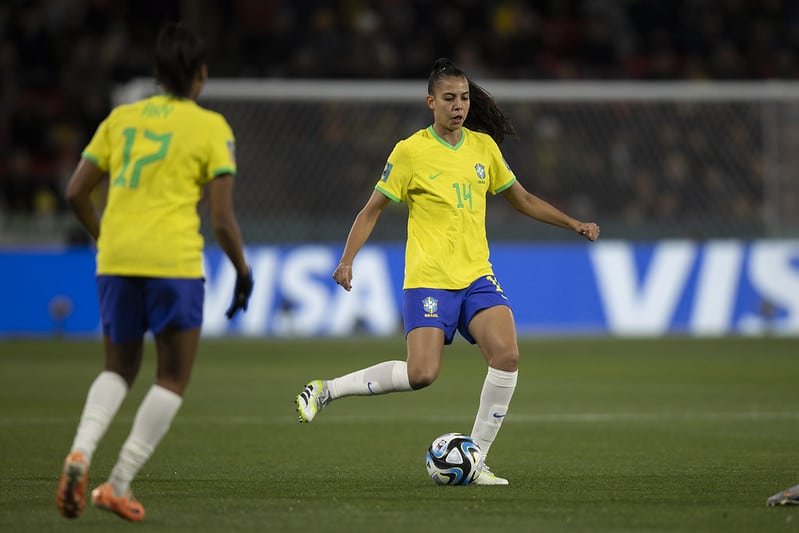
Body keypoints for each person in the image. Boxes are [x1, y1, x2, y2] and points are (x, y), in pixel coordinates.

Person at [295, 58, 600, 485]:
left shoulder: (484, 149)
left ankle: (477, 461)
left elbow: (524, 199)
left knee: (507, 356)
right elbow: (371, 212)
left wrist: (573, 224)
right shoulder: (410, 152)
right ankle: (327, 389)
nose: (459, 106)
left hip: (477, 275)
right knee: (422, 374)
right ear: (430, 102)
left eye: (464, 98)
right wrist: (347, 259)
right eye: (450, 98)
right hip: (428, 279)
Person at [55, 22, 253, 522]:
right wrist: (243, 272)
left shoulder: (121, 119)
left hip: (117, 260)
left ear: (157, 75)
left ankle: (79, 451)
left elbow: (76, 191)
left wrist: (106, 238)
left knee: (117, 368)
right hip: (174, 263)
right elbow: (223, 220)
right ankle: (118, 483)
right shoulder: (211, 128)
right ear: (201, 77)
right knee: (171, 376)